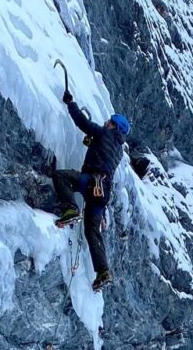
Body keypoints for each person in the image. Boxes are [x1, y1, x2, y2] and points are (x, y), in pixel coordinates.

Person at [52, 95, 151, 289]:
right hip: (102, 194)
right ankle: (103, 272)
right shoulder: (119, 149)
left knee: (61, 177)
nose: (106, 122)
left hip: (91, 182)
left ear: (113, 125)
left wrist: (70, 103)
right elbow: (102, 153)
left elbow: (83, 123)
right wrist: (94, 143)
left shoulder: (105, 134)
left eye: (109, 121)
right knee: (92, 231)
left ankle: (70, 209)